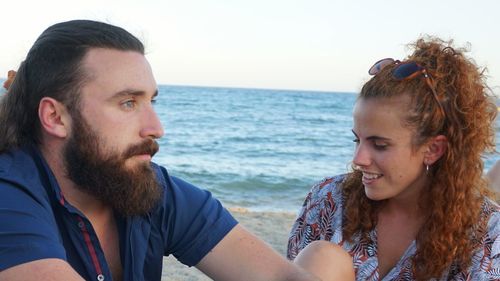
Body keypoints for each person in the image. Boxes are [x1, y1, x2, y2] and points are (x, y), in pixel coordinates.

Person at [0, 20, 320, 281]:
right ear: (56, 117)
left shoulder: (148, 188)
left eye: (151, 101)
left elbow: (279, 276)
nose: (156, 127)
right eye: (128, 103)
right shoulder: (9, 193)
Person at [287, 37, 500, 280]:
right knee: (323, 258)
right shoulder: (329, 201)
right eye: (358, 140)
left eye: (379, 145)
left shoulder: (487, 235)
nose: (359, 159)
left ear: (433, 149)